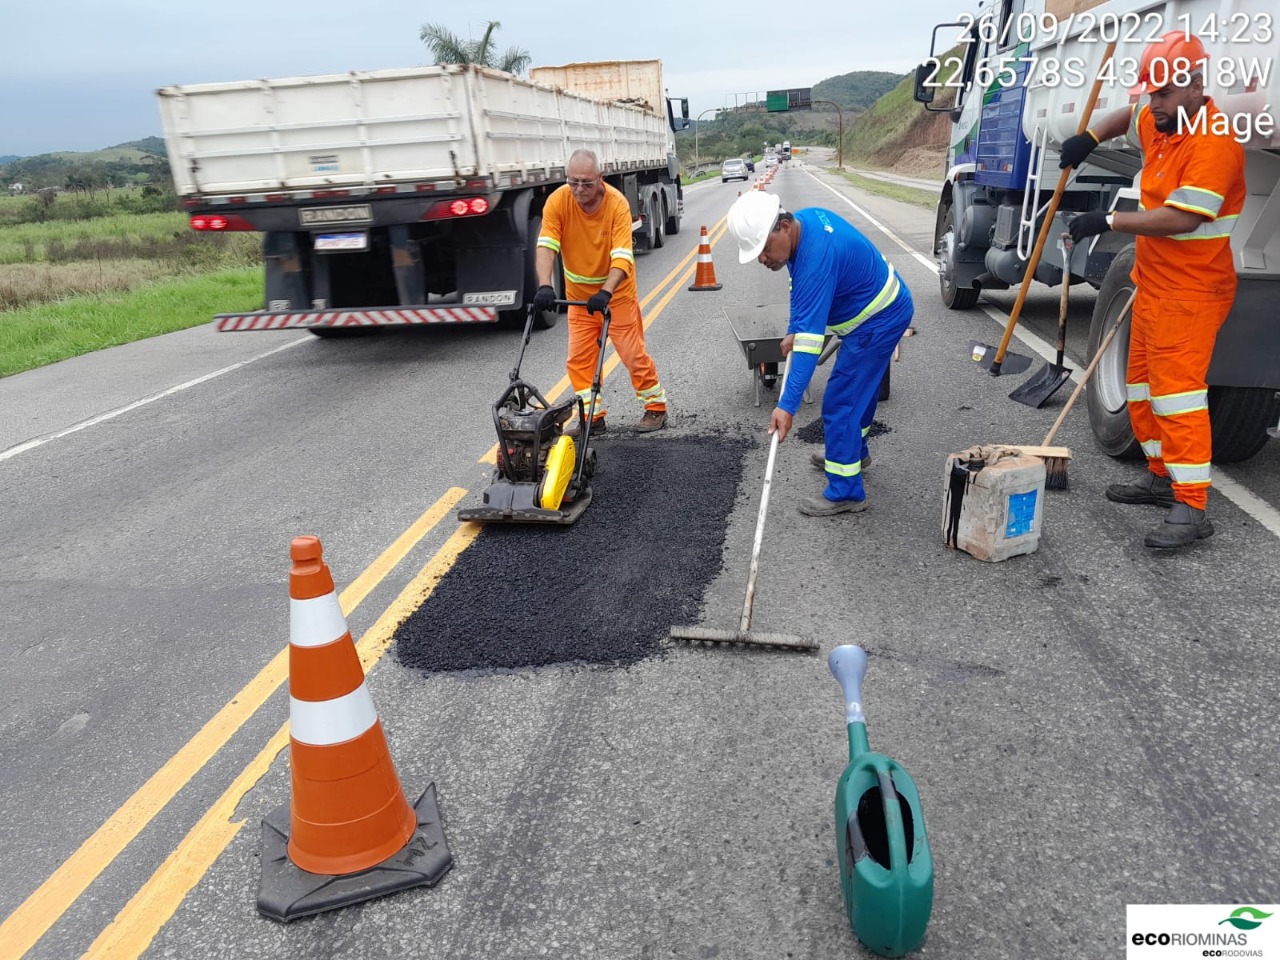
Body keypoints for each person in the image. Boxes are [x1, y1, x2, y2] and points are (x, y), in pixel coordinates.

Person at [1062, 31, 1245, 550]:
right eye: (1149, 93)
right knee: (1141, 388)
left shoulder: (1212, 142)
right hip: (1152, 286)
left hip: (1192, 294)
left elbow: (1183, 219)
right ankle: (1160, 478)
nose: (1152, 104)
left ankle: (1192, 508)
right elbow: (1127, 115)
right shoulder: (1160, 119)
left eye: (1162, 94)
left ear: (1193, 86)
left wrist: (1109, 218)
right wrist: (1091, 138)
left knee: (1177, 397)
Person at [726, 190, 913, 516]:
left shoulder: (815, 257)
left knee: (841, 399)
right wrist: (794, 329)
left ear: (783, 226)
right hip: (884, 308)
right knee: (860, 391)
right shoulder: (806, 224)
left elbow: (810, 348)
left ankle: (845, 491)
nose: (762, 258)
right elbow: (799, 289)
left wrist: (786, 406)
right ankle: (854, 453)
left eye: (764, 248)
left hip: (878, 320)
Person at [533, 149, 668, 435]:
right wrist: (545, 284)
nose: (579, 189)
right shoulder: (558, 201)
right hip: (579, 298)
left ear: (600, 178)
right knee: (579, 359)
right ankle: (592, 418)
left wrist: (606, 292)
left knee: (631, 353)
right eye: (573, 182)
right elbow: (546, 244)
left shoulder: (616, 205)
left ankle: (655, 407)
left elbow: (622, 256)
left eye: (586, 182)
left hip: (615, 295)